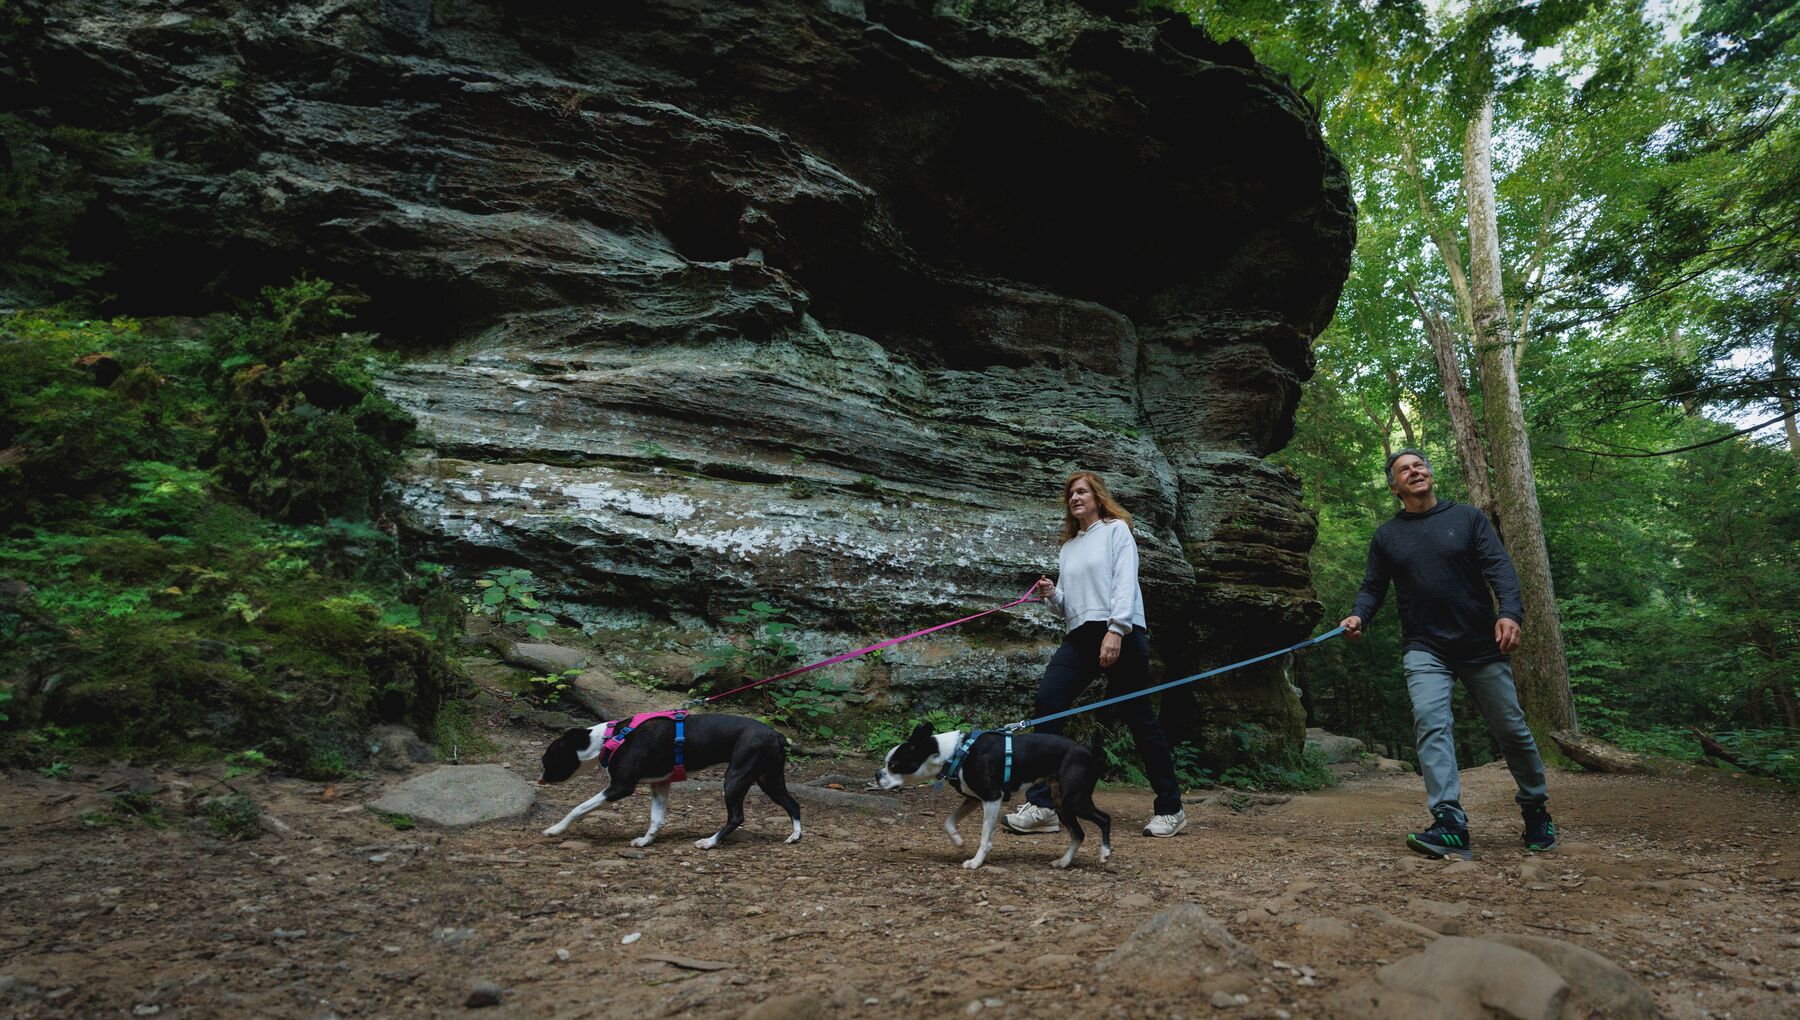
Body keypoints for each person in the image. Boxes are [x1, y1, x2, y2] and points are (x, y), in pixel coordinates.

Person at [1339, 449, 1557, 859]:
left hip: (1480, 643)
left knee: (1511, 729)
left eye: (1419, 465)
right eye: (1404, 469)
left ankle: (1535, 807)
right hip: (1425, 646)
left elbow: (1500, 569)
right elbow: (1373, 587)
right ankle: (1449, 822)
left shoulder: (1468, 518)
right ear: (1395, 487)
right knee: (1431, 722)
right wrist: (1358, 616)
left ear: (1430, 474)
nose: (1414, 471)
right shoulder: (1387, 536)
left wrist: (1510, 614)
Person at [1005, 471, 1187, 838]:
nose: (1075, 498)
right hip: (1080, 636)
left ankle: (1171, 809)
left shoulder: (1116, 530)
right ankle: (1044, 806)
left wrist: (1116, 630)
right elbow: (1069, 606)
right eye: (1070, 494)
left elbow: (1124, 581)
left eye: (1082, 492)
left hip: (1121, 631)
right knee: (1049, 702)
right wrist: (1053, 595)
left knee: (1139, 719)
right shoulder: (1069, 547)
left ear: (1097, 497)